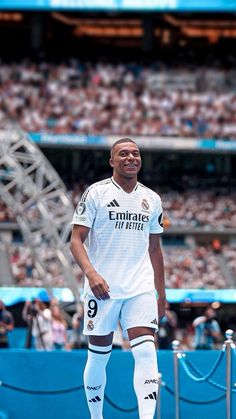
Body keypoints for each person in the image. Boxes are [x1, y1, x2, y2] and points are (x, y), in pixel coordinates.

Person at [70, 137, 166, 419]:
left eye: (135, 153)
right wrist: (91, 273)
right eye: (123, 154)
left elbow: (155, 250)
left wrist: (161, 294)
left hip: (140, 287)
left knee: (147, 352)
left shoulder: (152, 199)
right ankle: (96, 417)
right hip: (103, 288)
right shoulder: (96, 193)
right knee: (98, 356)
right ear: (112, 161)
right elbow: (75, 240)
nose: (131, 158)